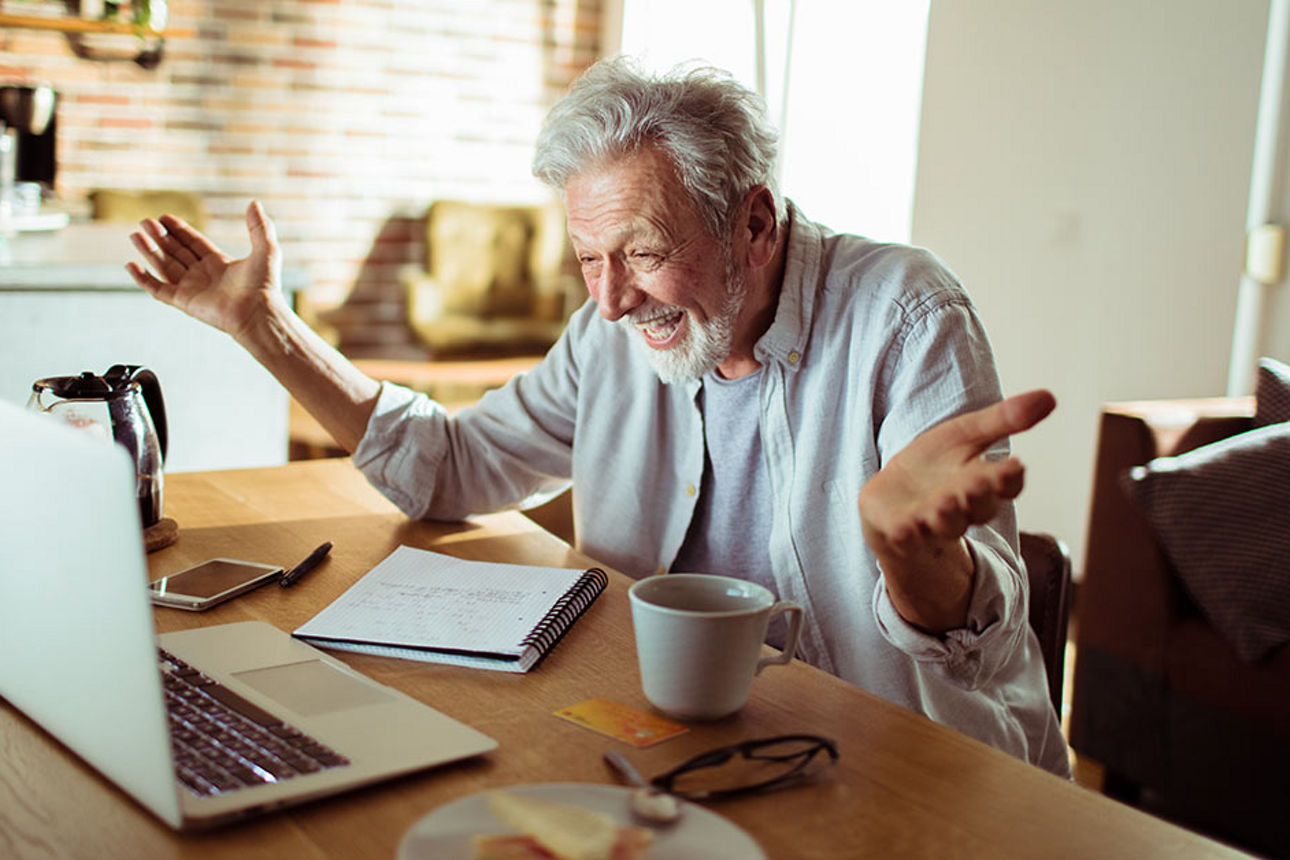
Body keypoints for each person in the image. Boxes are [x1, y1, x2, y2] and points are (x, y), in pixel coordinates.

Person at [125, 57, 1071, 777]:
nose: (613, 302)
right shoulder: (611, 333)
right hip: (687, 755)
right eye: (590, 260)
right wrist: (267, 327)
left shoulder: (905, 314)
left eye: (643, 252)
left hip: (910, 769)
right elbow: (454, 467)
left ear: (753, 221)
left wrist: (913, 560)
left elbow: (976, 638)